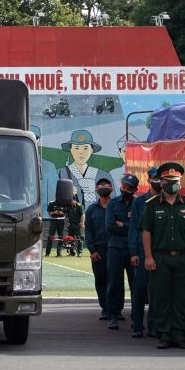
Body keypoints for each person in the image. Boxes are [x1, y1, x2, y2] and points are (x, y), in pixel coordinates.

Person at [140, 162, 185, 349]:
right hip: (160, 258)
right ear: (161, 181)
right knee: (161, 297)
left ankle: (179, 334)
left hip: (183, 258)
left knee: (182, 298)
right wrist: (148, 257)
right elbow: (146, 232)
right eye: (168, 180)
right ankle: (164, 334)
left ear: (180, 182)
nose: (171, 184)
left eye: (175, 181)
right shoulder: (151, 206)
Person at [128, 167, 161, 338]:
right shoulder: (140, 202)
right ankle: (137, 325)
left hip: (159, 251)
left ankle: (153, 325)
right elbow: (134, 228)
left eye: (159, 178)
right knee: (139, 289)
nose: (157, 181)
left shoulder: (165, 200)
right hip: (141, 251)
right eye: (154, 178)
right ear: (148, 180)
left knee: (155, 291)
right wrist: (133, 252)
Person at [105, 173, 139, 330]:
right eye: (124, 186)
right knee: (114, 283)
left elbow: (138, 227)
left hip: (132, 250)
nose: (125, 189)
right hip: (115, 249)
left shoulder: (137, 203)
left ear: (134, 189)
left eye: (129, 187)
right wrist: (128, 226)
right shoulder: (113, 203)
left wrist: (123, 225)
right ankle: (113, 315)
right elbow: (110, 225)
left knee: (136, 285)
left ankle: (136, 318)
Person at [58, 130, 113, 207]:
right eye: (77, 148)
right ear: (71, 150)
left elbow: (112, 201)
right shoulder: (61, 173)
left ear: (92, 150)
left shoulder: (103, 175)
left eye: (85, 148)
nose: (81, 152)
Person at [85, 177, 112, 320]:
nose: (103, 187)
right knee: (100, 280)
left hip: (115, 249)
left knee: (114, 281)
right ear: (96, 190)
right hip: (99, 251)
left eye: (106, 185)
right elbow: (88, 232)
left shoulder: (116, 206)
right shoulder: (91, 209)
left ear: (112, 188)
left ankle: (116, 310)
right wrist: (92, 250)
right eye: (100, 185)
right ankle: (105, 309)